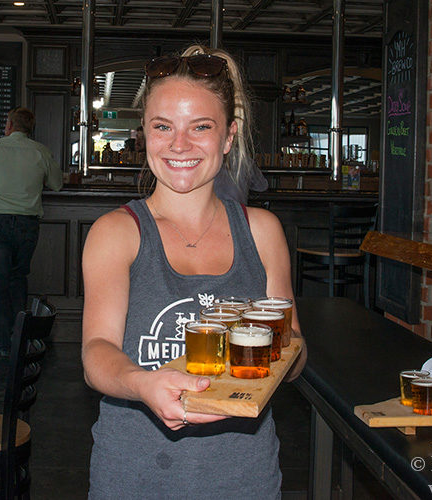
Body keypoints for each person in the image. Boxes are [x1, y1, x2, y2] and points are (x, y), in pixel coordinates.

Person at [82, 44, 307, 499]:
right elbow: (96, 350)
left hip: (243, 474)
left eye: (200, 127)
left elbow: (296, 354)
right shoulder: (116, 232)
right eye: (163, 126)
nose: (179, 145)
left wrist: (274, 350)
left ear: (228, 136)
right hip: (134, 473)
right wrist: (141, 383)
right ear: (144, 133)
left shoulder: (262, 231)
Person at [0, 107, 63, 355]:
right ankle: (20, 337)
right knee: (17, 280)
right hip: (27, 223)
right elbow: (57, 184)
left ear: (10, 125)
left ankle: (3, 343)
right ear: (30, 128)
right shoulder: (40, 151)